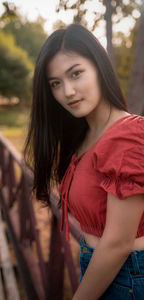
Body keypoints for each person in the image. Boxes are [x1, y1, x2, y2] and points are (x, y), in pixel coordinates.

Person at [24, 23, 144, 299]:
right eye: (56, 84)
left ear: (99, 68)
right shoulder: (85, 137)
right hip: (100, 268)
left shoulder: (130, 134)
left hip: (128, 277)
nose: (67, 92)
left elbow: (117, 243)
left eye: (76, 74)